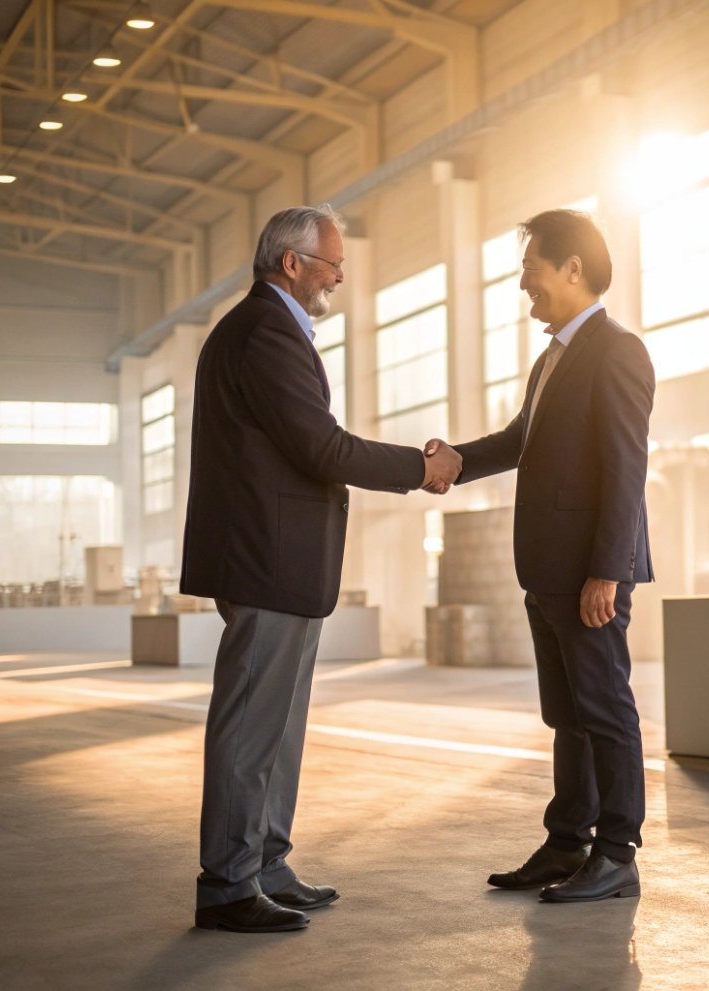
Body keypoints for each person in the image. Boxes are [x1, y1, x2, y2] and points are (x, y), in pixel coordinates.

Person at [182, 204, 462, 933]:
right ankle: (228, 885)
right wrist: (419, 467)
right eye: (332, 263)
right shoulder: (265, 332)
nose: (339, 276)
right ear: (292, 264)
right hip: (267, 557)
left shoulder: (267, 330)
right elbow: (321, 447)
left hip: (282, 559)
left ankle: (265, 864)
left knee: (277, 726)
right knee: (251, 727)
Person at [426, 208, 655, 903]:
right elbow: (519, 439)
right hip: (550, 571)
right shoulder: (552, 356)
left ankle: (616, 853)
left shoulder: (618, 351)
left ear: (572, 269)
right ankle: (567, 841)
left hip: (590, 573)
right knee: (568, 713)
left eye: (531, 266)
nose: (524, 280)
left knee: (605, 709)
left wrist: (608, 571)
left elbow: (625, 469)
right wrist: (457, 459)